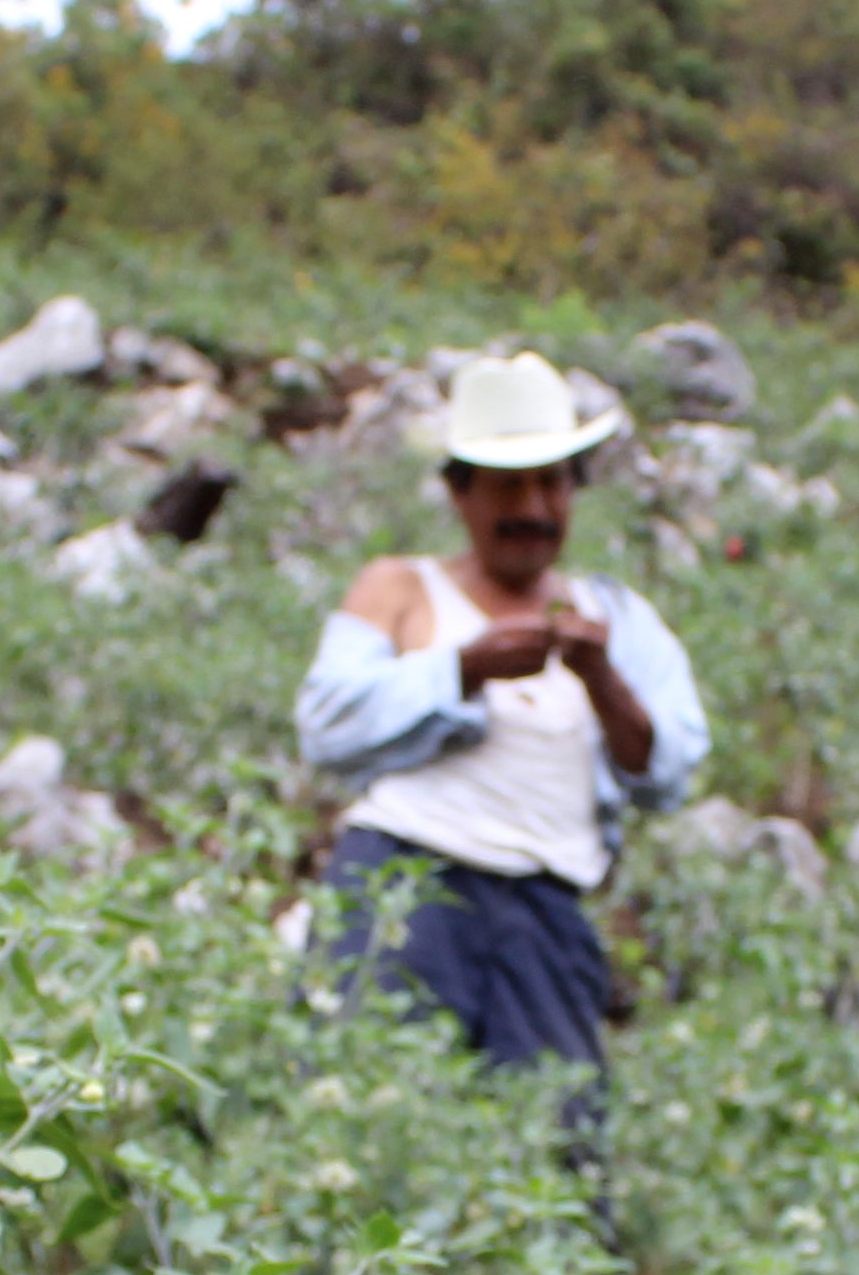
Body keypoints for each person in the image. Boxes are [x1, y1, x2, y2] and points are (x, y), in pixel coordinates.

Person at [294, 353, 709, 1072]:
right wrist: (465, 667)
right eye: (508, 488)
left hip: (546, 908)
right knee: (366, 1096)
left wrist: (601, 678)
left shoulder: (617, 619)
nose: (534, 510)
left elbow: (668, 771)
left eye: (551, 484)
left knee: (556, 1140)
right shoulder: (400, 588)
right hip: (401, 883)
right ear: (461, 495)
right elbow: (325, 724)